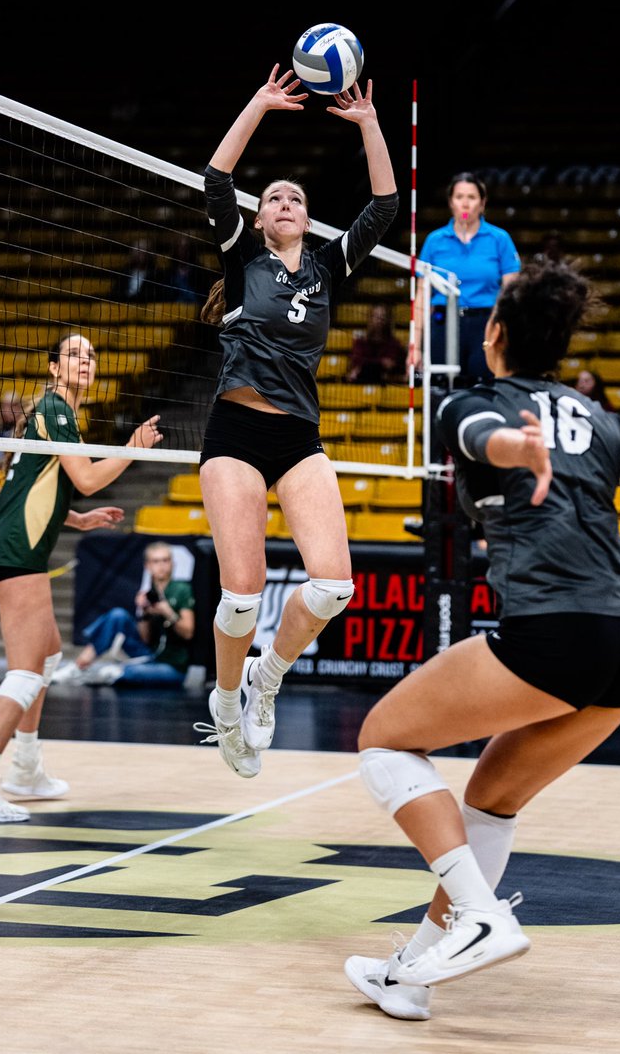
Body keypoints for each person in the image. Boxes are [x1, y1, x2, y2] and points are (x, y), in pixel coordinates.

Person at [343, 259, 620, 1021]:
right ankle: (413, 976)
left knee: (383, 740)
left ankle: (480, 918)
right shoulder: (605, 421)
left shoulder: (471, 403)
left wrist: (518, 451)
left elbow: (483, 438)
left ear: (493, 334)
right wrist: (519, 452)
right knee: (492, 798)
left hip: (557, 628)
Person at [194, 65, 398, 778]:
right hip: (235, 433)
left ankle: (267, 677)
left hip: (297, 437)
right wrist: (258, 104)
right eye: (274, 197)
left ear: (307, 219)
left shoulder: (326, 268)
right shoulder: (243, 257)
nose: (284, 201)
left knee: (334, 587)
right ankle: (226, 704)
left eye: (296, 197)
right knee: (242, 596)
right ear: (259, 218)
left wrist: (369, 123)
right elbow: (216, 179)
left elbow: (384, 206)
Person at [0, 331, 163, 823]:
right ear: (53, 367)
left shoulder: (55, 415)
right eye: (74, 354)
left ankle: (26, 770)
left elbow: (32, 488)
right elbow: (86, 479)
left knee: (46, 656)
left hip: (9, 545)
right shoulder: (56, 409)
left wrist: (77, 519)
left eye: (91, 355)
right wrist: (133, 447)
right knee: (26, 672)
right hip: (14, 550)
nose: (85, 361)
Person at [409, 172, 520, 386]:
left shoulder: (500, 239)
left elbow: (511, 293)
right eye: (459, 197)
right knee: (441, 390)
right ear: (451, 202)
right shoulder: (434, 241)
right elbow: (421, 297)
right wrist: (415, 346)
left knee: (484, 389)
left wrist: (504, 333)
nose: (465, 203)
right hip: (443, 325)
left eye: (472, 197)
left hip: (486, 325)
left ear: (482, 203)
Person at [54, 541, 196, 686]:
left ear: (172, 563)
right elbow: (145, 639)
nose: (161, 566)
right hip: (149, 655)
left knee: (121, 672)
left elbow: (188, 633)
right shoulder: (149, 593)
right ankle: (79, 666)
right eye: (156, 561)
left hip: (172, 665)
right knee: (118, 615)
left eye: (165, 560)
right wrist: (144, 612)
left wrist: (168, 612)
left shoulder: (181, 589)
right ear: (147, 565)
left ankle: (112, 673)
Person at [346, 303, 406, 385]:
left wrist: (371, 363)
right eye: (376, 316)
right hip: (363, 381)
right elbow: (357, 362)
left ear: (387, 320)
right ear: (370, 318)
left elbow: (391, 364)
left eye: (382, 316)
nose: (379, 320)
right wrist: (381, 362)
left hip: (385, 383)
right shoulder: (361, 342)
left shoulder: (394, 344)